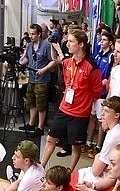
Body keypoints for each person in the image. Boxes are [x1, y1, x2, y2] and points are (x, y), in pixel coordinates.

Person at [40, 29, 102, 172]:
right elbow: (58, 61)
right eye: (68, 41)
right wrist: (55, 47)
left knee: (75, 146)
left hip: (79, 114)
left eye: (71, 41)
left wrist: (83, 101)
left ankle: (69, 171)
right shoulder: (68, 62)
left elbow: (97, 92)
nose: (68, 44)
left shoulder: (92, 67)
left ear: (81, 44)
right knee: (50, 139)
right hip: (64, 109)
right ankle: (41, 167)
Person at [19, 24, 58, 135]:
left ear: (39, 34)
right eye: (30, 33)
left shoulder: (46, 45)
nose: (31, 36)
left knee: (41, 105)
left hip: (42, 80)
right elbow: (26, 59)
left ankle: (40, 127)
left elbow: (53, 61)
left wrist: (44, 70)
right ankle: (31, 124)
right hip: (32, 79)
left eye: (33, 34)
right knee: (31, 102)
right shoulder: (29, 46)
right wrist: (19, 62)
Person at [85, 32, 115, 158]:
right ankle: (88, 142)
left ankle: (98, 146)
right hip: (93, 91)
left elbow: (110, 73)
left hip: (102, 93)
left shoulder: (111, 56)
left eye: (104, 40)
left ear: (110, 42)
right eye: (101, 40)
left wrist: (105, 81)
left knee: (101, 120)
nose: (101, 42)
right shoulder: (98, 54)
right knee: (92, 117)